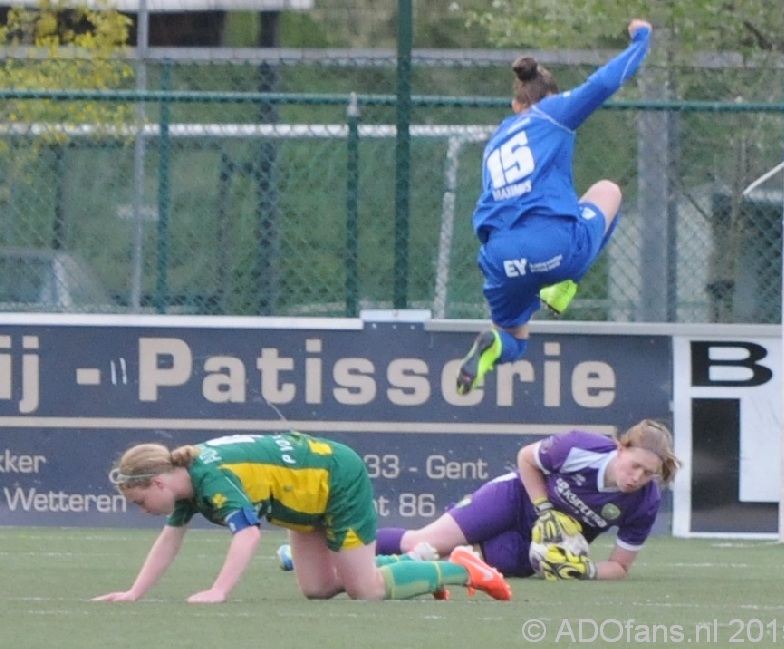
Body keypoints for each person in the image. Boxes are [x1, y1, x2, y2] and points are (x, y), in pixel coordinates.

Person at [456, 18, 653, 395]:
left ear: (516, 104)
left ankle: (494, 347)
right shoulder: (554, 111)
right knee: (608, 191)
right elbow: (606, 82)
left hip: (500, 255)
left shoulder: (495, 141)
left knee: (514, 337)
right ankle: (565, 285)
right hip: (554, 245)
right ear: (551, 97)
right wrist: (641, 40)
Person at [92, 431, 512, 603]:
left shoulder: (212, 478)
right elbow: (170, 540)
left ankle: (458, 568)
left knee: (364, 591)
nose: (142, 510)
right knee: (319, 588)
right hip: (302, 500)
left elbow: (249, 535)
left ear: (159, 483)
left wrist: (219, 590)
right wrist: (134, 592)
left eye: (139, 501)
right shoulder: (185, 483)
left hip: (335, 479)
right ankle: (417, 561)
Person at [375, 419, 681, 581]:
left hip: (539, 545)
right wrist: (544, 508)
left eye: (648, 473)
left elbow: (620, 567)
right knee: (422, 542)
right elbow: (526, 458)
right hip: (514, 498)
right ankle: (340, 544)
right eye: (635, 466)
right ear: (620, 449)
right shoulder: (579, 447)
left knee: (457, 560)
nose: (636, 478)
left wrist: (587, 571)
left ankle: (373, 573)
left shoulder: (645, 503)